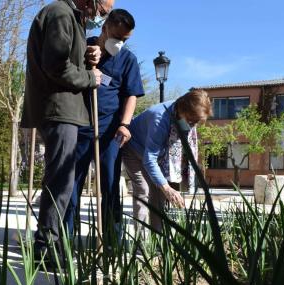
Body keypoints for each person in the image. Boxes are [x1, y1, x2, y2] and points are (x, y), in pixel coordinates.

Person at [22, 0, 114, 257]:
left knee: (61, 179)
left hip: (62, 108)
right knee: (60, 180)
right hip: (58, 108)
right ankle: (46, 248)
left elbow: (66, 57)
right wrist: (90, 78)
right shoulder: (60, 14)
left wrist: (88, 54)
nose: (101, 16)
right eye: (102, 11)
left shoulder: (71, 18)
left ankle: (52, 243)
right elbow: (56, 66)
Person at [64, 8, 144, 239]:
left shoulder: (127, 59)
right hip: (79, 126)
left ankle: (111, 236)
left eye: (124, 39)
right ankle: (67, 235)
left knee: (109, 183)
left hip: (109, 131)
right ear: (104, 28)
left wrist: (124, 125)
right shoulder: (82, 46)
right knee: (73, 183)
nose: (119, 43)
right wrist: (86, 60)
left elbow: (131, 94)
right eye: (116, 37)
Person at [122, 89, 212, 233]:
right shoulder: (160, 118)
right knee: (143, 191)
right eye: (192, 120)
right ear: (183, 109)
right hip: (134, 150)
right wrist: (167, 188)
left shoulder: (184, 118)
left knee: (159, 196)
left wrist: (171, 185)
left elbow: (181, 147)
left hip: (158, 156)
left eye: (197, 122)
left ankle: (157, 239)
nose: (193, 124)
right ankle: (141, 244)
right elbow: (149, 158)